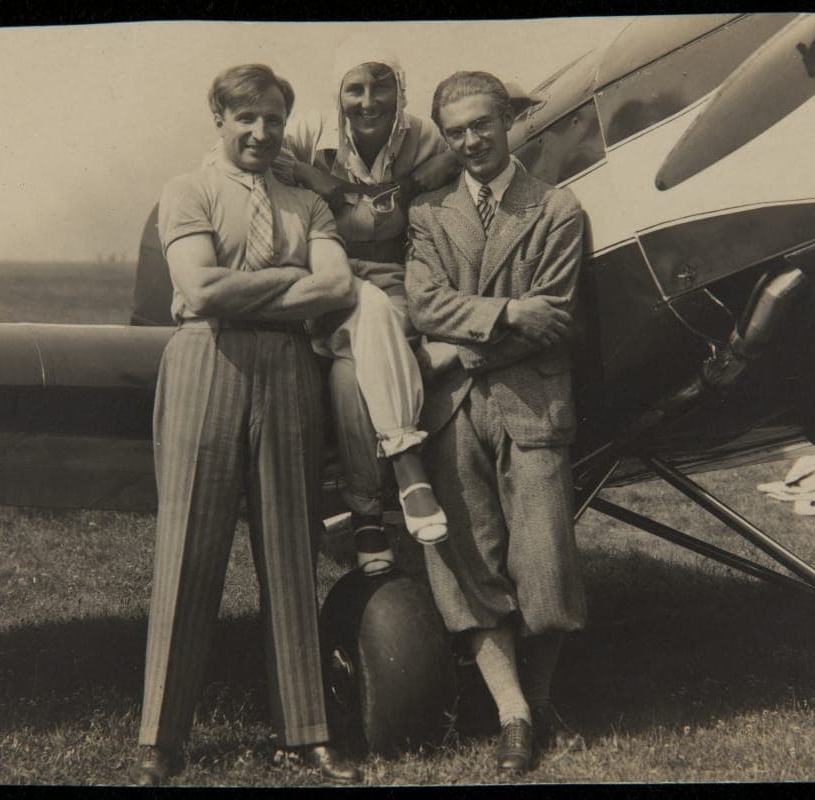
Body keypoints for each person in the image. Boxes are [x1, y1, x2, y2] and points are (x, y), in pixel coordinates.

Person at [133, 63, 362, 786]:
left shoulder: (307, 205)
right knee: (188, 550)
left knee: (290, 549)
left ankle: (306, 733)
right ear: (221, 120)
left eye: (273, 119)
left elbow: (338, 286)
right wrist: (291, 287)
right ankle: (161, 741)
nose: (262, 132)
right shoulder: (188, 190)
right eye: (247, 119)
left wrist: (246, 295)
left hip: (289, 373)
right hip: (206, 363)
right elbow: (198, 287)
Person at [405, 71, 588, 774]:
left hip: (533, 407)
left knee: (545, 568)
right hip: (451, 414)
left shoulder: (556, 208)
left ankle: (537, 701)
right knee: (469, 565)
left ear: (508, 122)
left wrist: (455, 347)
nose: (471, 141)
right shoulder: (429, 214)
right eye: (456, 131)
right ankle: (514, 713)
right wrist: (509, 312)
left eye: (483, 124)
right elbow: (424, 304)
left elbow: (558, 318)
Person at [269, 37, 461, 575]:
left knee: (352, 373)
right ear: (338, 93)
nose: (369, 101)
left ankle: (366, 515)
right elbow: (238, 151)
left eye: (383, 86)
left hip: (396, 285)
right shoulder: (308, 131)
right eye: (355, 88)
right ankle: (406, 463)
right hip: (327, 280)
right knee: (366, 306)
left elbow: (480, 132)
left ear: (401, 90)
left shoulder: (421, 135)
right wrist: (318, 180)